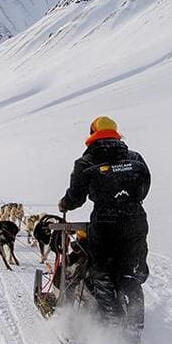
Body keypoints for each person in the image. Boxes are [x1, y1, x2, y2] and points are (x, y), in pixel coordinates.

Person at [57, 116, 151, 329]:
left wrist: (65, 204)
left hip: (106, 224)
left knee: (103, 273)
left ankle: (112, 324)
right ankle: (135, 328)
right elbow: (145, 186)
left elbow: (76, 197)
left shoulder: (86, 162)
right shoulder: (135, 158)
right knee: (131, 274)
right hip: (136, 220)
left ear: (92, 134)